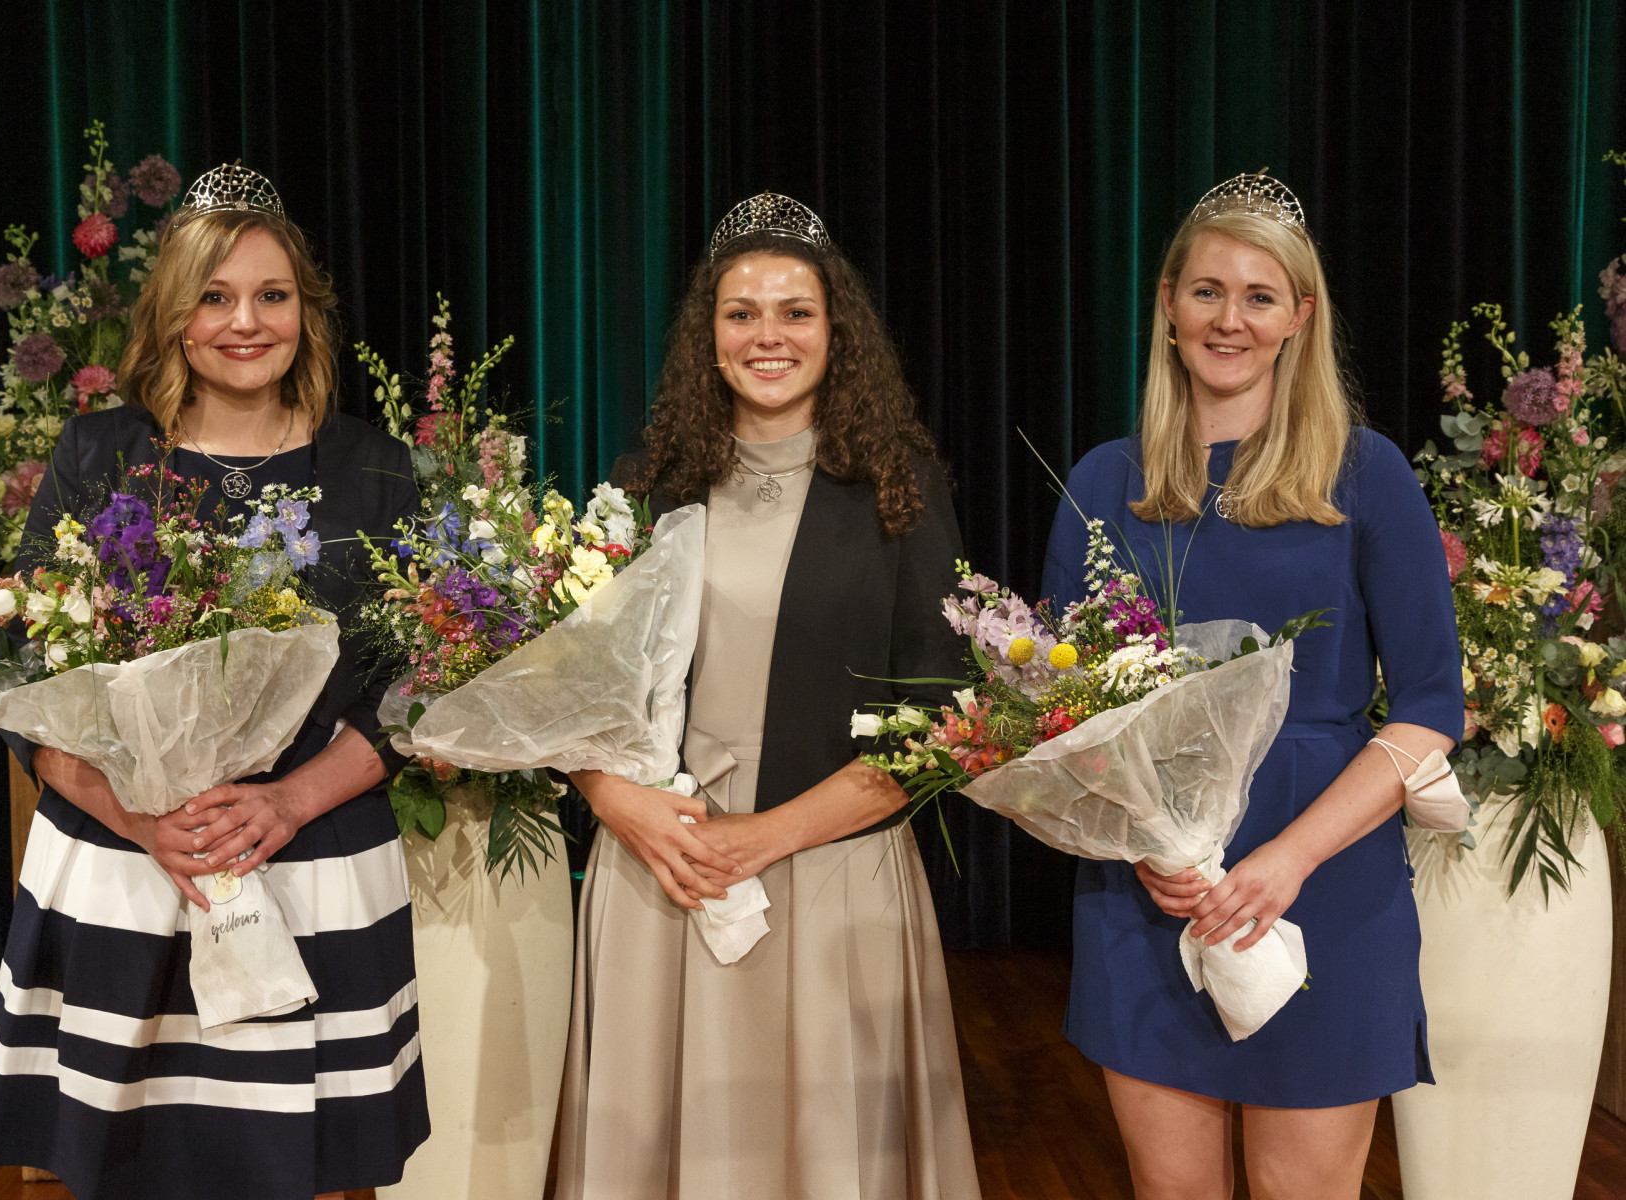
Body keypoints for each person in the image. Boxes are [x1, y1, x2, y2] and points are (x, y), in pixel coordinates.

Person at [0, 165, 428, 1200]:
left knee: (302, 1168)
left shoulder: (376, 468)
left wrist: (289, 798)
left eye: (271, 296)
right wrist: (141, 820)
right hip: (128, 871)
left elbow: (417, 684)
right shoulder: (100, 453)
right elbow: (30, 677)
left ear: (308, 313)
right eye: (214, 297)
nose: (244, 322)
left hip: (314, 860)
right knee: (127, 1163)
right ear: (174, 315)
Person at [1039, 174, 1464, 1199]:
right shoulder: (1105, 480)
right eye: (1206, 291)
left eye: (1260, 296)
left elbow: (1429, 710)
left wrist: (1285, 860)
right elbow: (1058, 715)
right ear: (1170, 307)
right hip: (1148, 896)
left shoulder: (1365, 475)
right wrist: (1148, 848)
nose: (1230, 317)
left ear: (1298, 318)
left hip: (1326, 886)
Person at [554, 193, 981, 1199]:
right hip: (661, 875)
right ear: (708, 337)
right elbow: (570, 695)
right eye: (741, 312)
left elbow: (943, 723)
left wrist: (766, 836)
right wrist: (625, 809)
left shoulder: (897, 486)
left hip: (826, 880)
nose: (768, 336)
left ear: (839, 331)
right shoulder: (647, 481)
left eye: (796, 311)